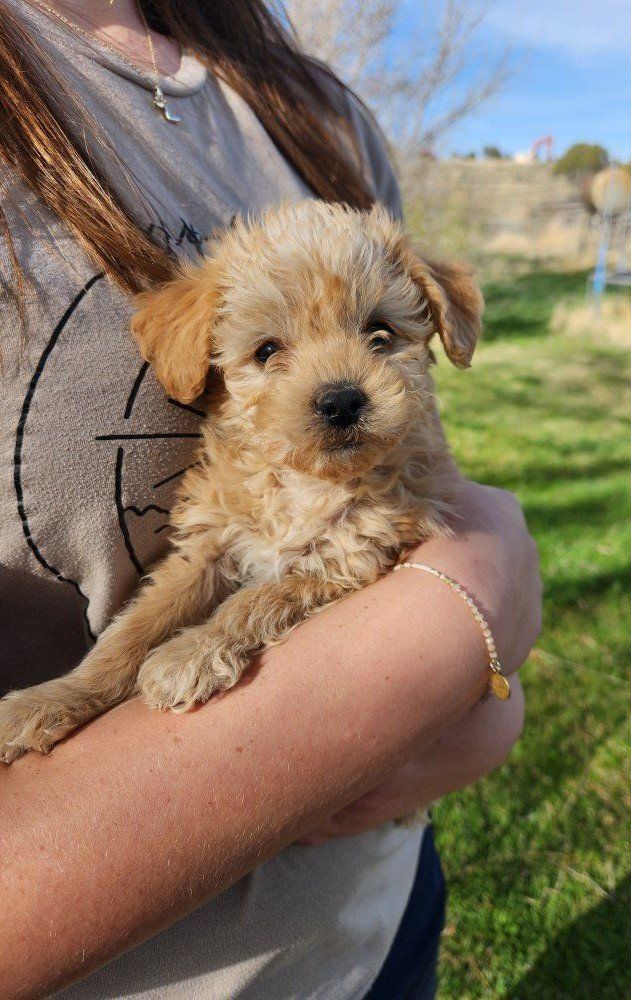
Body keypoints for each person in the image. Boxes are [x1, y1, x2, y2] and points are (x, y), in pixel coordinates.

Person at [0, 1, 542, 997]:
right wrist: (458, 617)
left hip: (379, 921)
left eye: (380, 335)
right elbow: (197, 569)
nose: (337, 383)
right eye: (268, 350)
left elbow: (421, 551)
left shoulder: (307, 98)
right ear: (212, 353)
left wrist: (487, 675)